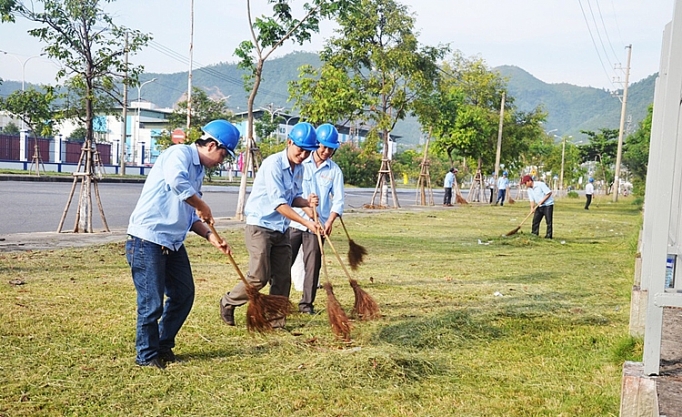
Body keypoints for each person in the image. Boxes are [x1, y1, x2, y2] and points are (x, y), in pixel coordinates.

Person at [126, 119, 238, 369]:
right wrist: (202, 205)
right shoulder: (179, 154)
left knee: (184, 294)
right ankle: (146, 355)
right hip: (148, 239)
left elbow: (189, 217)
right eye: (223, 153)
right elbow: (177, 183)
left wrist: (211, 237)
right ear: (211, 145)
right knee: (151, 303)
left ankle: (163, 346)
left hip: (172, 242)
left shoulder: (198, 172)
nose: (223, 160)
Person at [219, 122, 322, 328]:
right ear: (289, 142)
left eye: (308, 153)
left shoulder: (299, 169)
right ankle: (229, 301)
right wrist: (306, 222)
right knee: (259, 277)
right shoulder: (273, 164)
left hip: (281, 229)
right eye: (300, 150)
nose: (303, 156)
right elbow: (279, 204)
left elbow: (292, 197)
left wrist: (307, 204)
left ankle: (276, 322)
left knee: (283, 278)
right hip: (260, 226)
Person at [288, 123, 345, 314]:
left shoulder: (335, 171)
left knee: (313, 266)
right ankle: (279, 301)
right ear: (316, 144)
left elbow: (338, 200)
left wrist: (329, 222)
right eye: (323, 146)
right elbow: (290, 192)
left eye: (331, 148)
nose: (326, 151)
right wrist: (306, 208)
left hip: (318, 226)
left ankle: (306, 304)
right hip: (295, 221)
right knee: (283, 263)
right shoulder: (300, 162)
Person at [522, 175, 554, 239]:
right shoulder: (529, 190)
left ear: (530, 181)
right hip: (539, 206)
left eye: (525, 183)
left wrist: (542, 201)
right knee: (535, 221)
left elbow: (549, 193)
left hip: (548, 205)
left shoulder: (540, 184)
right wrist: (532, 208)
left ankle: (548, 236)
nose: (525, 185)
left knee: (548, 221)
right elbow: (532, 200)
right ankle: (534, 234)